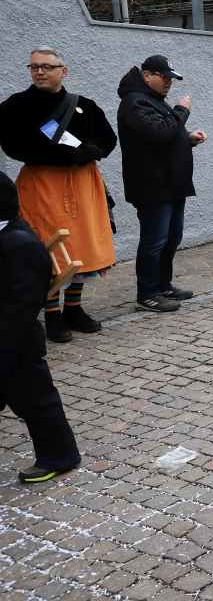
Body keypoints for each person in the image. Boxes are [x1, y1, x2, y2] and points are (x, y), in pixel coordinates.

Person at [0, 46, 117, 342]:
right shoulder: (16, 106)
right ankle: (52, 313)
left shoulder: (84, 105)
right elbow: (13, 145)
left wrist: (93, 151)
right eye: (34, 67)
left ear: (63, 71)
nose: (39, 72)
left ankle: (74, 308)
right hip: (42, 185)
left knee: (81, 245)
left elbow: (107, 138)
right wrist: (64, 157)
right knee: (47, 246)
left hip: (82, 184)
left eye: (47, 67)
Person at [0, 171, 82, 484]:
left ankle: (59, 456)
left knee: (36, 402)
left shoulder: (19, 244)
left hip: (16, 342)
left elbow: (21, 305)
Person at [117, 55, 207, 312]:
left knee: (171, 238)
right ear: (147, 76)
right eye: (164, 77)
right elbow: (158, 134)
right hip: (152, 186)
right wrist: (182, 110)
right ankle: (147, 294)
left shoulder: (153, 101)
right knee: (154, 240)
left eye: (171, 78)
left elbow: (166, 136)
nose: (168, 82)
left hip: (171, 183)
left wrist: (187, 139)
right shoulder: (134, 102)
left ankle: (163, 285)